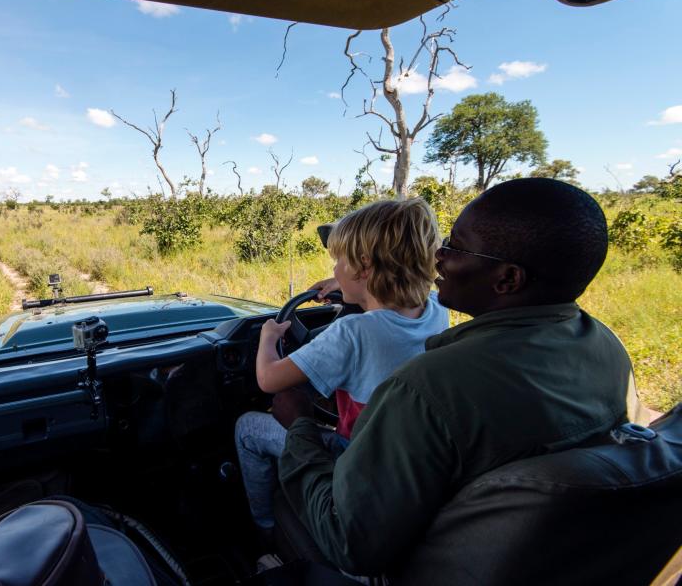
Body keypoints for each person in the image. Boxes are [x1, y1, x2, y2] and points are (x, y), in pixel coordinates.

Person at [272, 178, 637, 577]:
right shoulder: (606, 346)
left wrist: (301, 428)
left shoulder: (426, 388)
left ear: (508, 279)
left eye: (455, 248)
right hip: (545, 559)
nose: (438, 258)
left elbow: (350, 543)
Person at [234, 198, 449, 536]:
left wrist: (267, 336)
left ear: (363, 268)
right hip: (399, 452)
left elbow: (268, 379)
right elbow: (396, 292)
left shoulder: (353, 332)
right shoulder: (435, 309)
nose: (334, 269)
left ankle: (263, 525)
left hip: (354, 456)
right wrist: (345, 287)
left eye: (339, 262)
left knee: (247, 428)